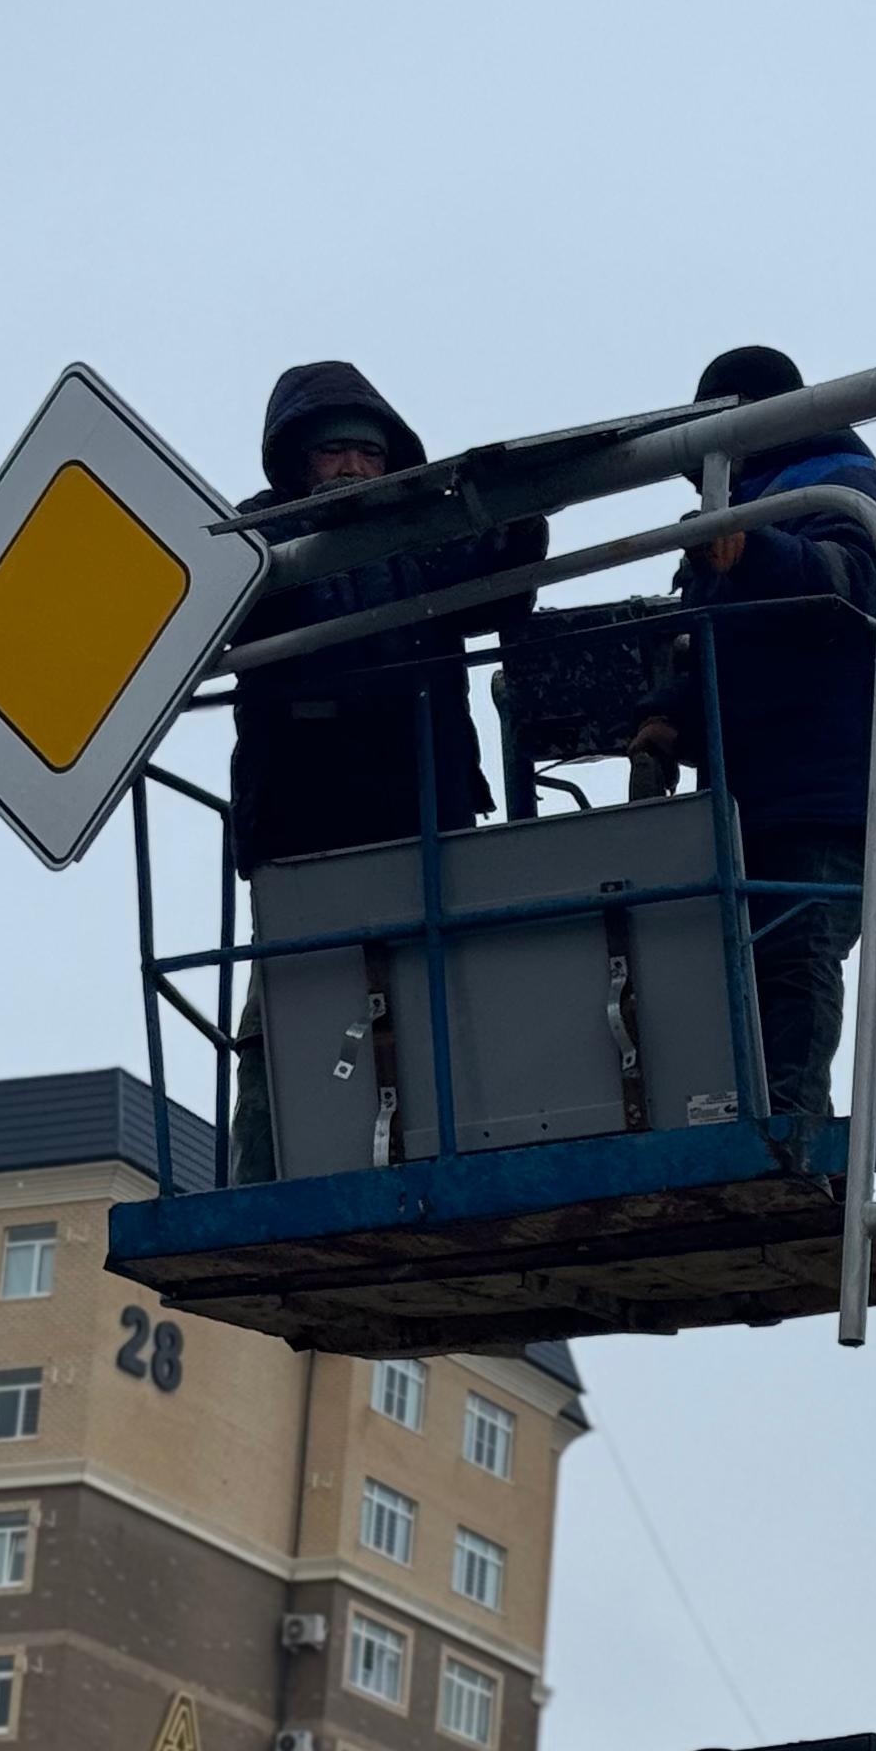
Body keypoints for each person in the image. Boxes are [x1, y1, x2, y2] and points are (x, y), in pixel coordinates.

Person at [218, 362, 540, 1178]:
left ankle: (447, 1162)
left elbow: (502, 584)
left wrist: (521, 501)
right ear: (296, 463)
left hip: (422, 814)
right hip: (304, 827)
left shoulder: (425, 535)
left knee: (437, 1003)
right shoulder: (250, 542)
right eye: (333, 452)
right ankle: (263, 1175)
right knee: (289, 1017)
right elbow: (201, 609)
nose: (354, 467)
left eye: (368, 451)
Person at [627, 343, 876, 1122]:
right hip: (756, 786)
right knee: (737, 969)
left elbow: (846, 586)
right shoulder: (750, 501)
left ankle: (789, 1132)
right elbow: (724, 644)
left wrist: (751, 549)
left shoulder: (841, 485)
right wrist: (669, 715)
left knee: (793, 959)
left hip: (824, 789)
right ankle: (743, 1122)